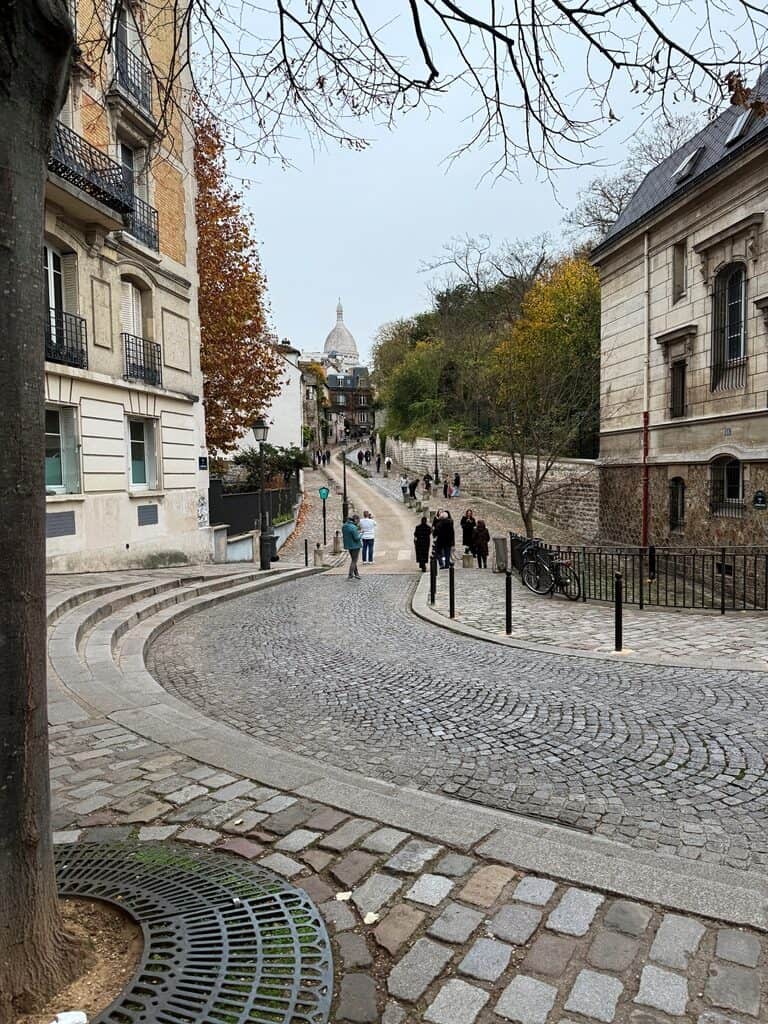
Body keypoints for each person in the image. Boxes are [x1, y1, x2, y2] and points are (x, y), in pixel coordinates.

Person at [342, 514, 362, 580]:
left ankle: (356, 574)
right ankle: (350, 575)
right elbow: (356, 538)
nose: (358, 522)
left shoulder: (344, 526)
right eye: (358, 521)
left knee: (353, 560)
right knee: (354, 560)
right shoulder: (353, 527)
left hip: (349, 545)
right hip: (355, 546)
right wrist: (361, 534)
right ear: (355, 520)